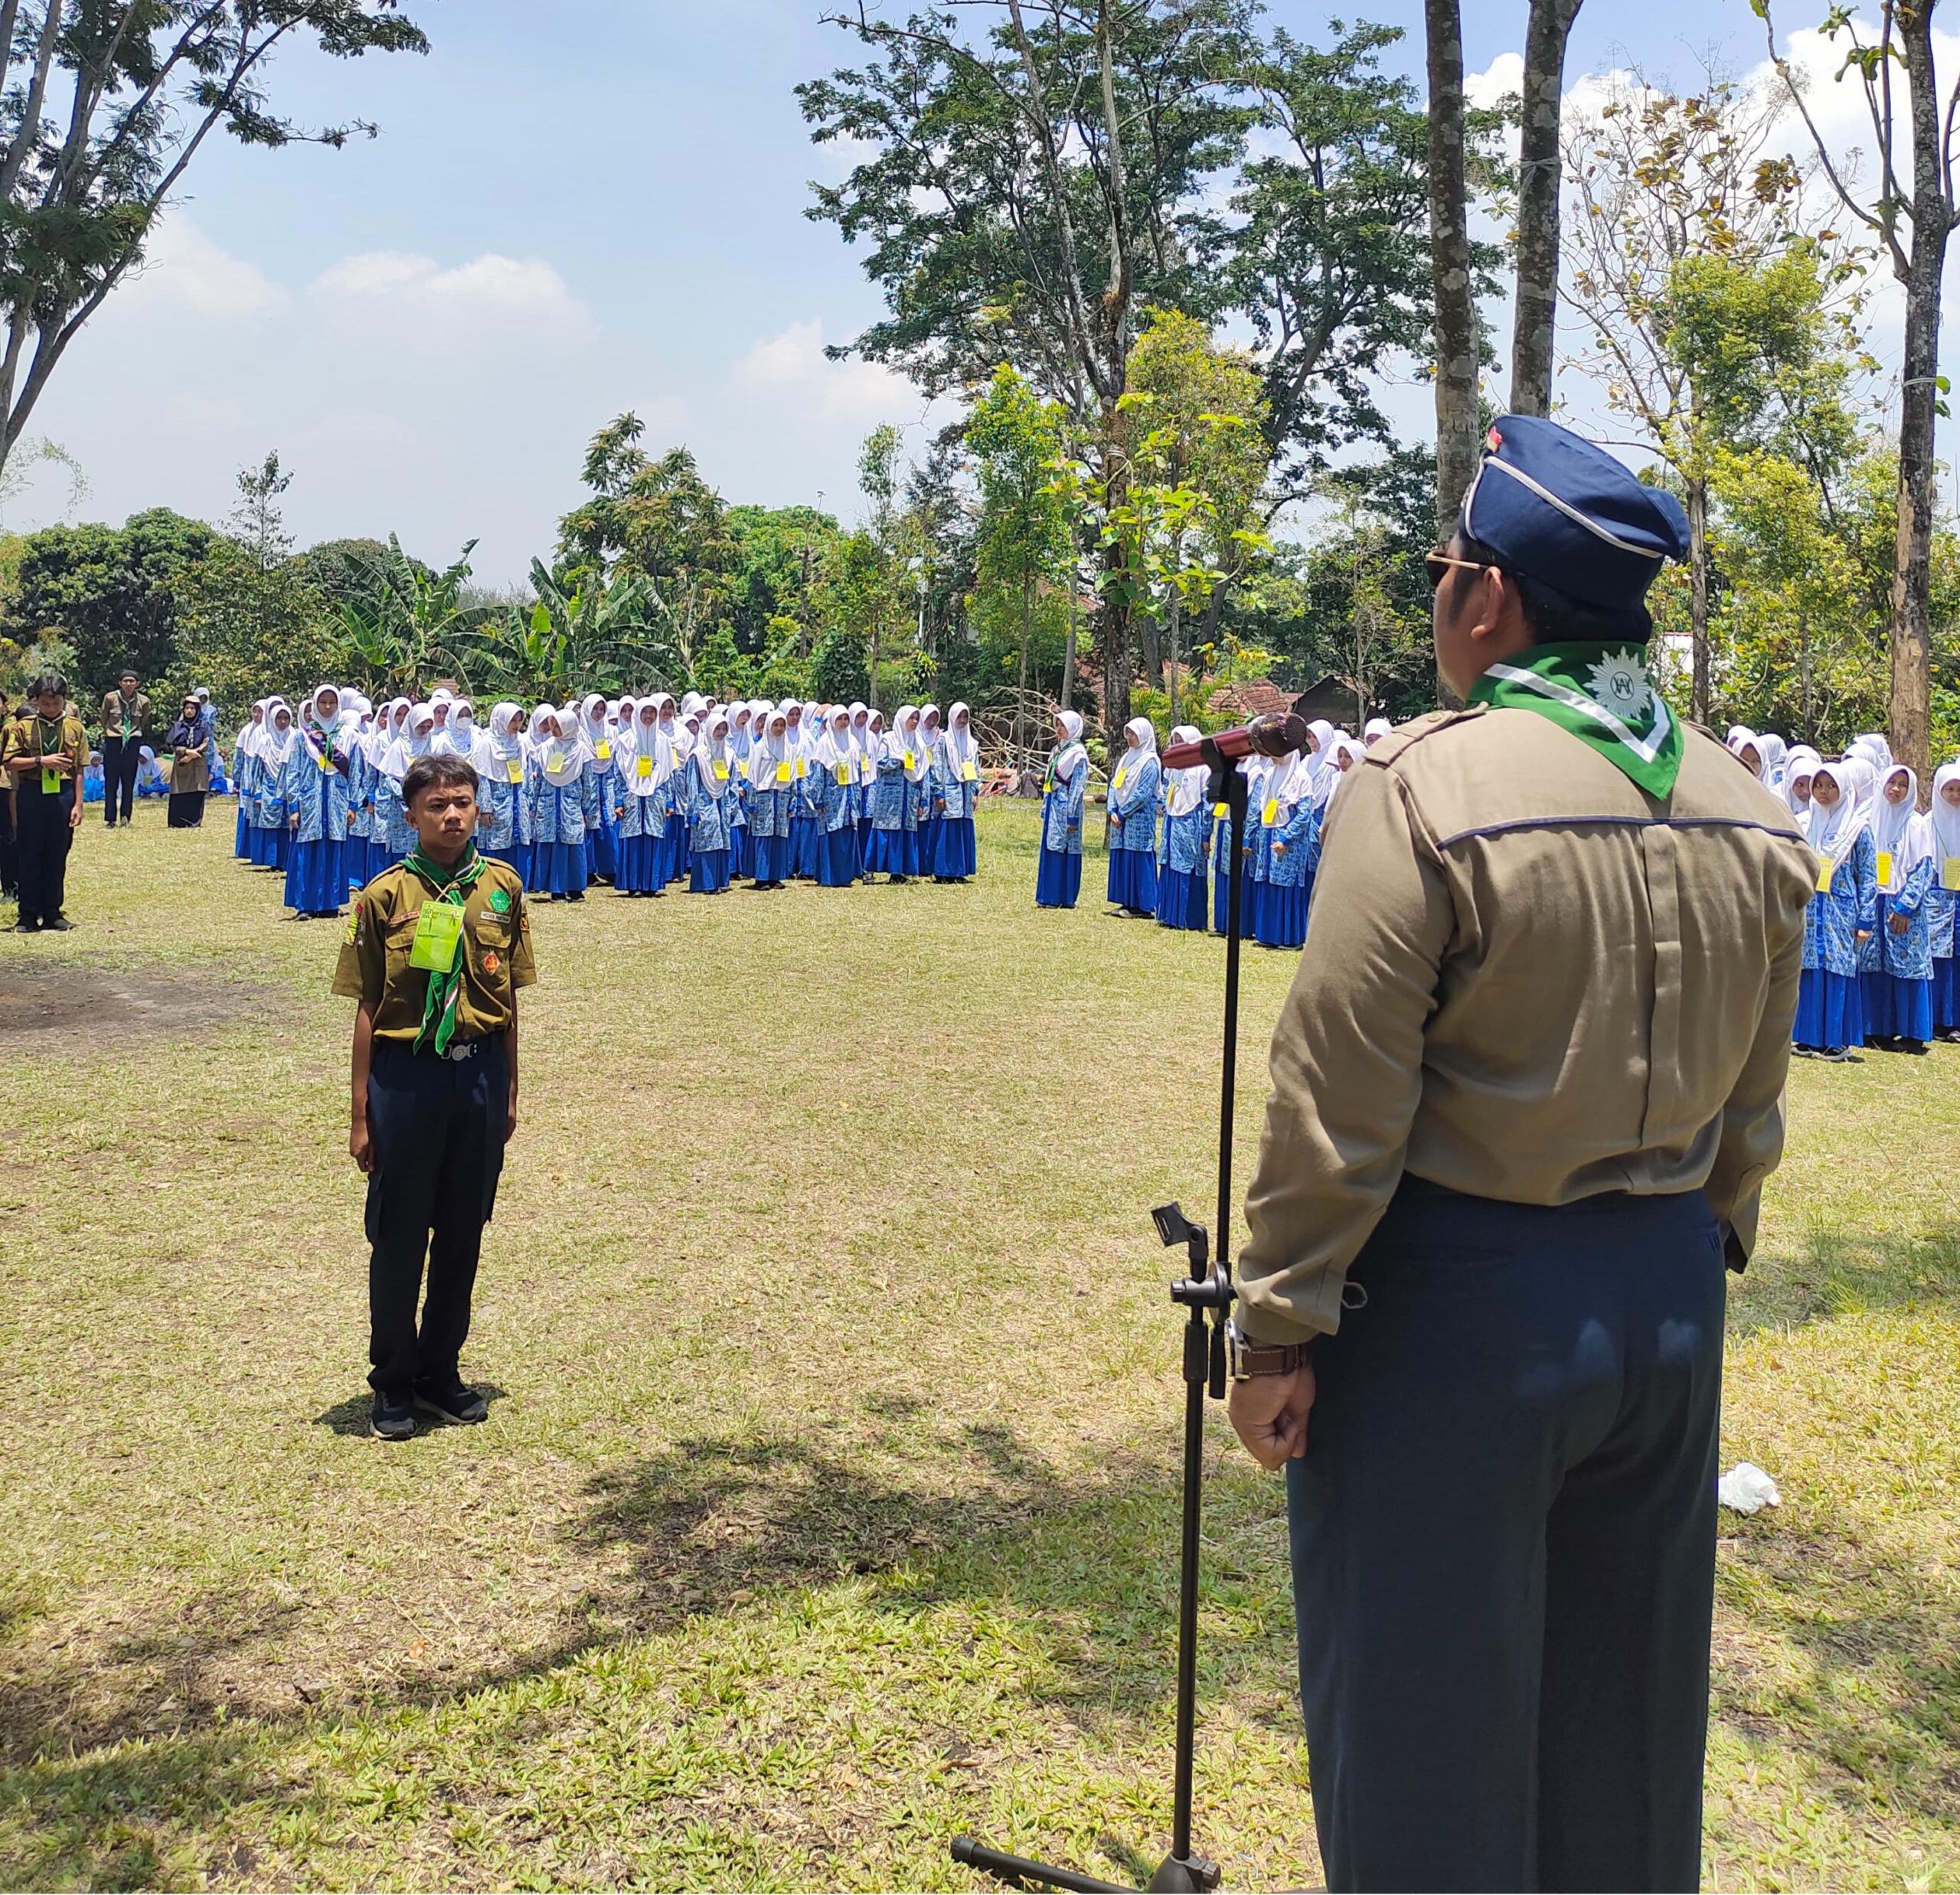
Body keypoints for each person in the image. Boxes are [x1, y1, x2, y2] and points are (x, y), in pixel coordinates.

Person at [1226, 415, 1815, 1893]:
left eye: (1442, 571)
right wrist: (1698, 1248)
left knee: (1426, 1743)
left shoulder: (1425, 788)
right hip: (1673, 1306)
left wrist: (1278, 1322)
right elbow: (1753, 1103)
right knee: (1626, 1741)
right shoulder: (1750, 812)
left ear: (1487, 598)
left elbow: (1336, 1096)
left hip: (1461, 1313)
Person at [334, 751, 534, 1441]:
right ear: (411, 816)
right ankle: (392, 1379)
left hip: (474, 1076)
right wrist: (360, 1112)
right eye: (438, 806)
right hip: (407, 1077)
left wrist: (509, 1089)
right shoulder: (386, 895)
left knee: (460, 1232)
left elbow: (507, 999)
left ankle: (440, 1370)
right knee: (397, 1235)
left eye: (464, 803)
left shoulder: (502, 888)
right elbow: (366, 1006)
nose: (453, 815)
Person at [1796, 760, 1876, 1061]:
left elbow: (1868, 876)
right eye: (1818, 785)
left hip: (1842, 911)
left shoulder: (1857, 829)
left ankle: (1836, 1039)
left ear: (1843, 789)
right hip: (1810, 909)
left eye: (1831, 786)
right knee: (1810, 969)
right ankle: (1808, 1037)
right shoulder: (1804, 822)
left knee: (1837, 969)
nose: (1824, 792)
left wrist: (1865, 920)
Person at [2, 671, 87, 931]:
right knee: (29, 853)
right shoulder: (22, 727)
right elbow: (10, 762)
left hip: (62, 794)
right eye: (46, 703)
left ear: (64, 701)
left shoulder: (75, 727)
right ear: (36, 701)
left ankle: (52, 911)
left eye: (56, 703)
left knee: (57, 853)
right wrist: (41, 761)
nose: (51, 708)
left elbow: (80, 768)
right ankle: (28, 914)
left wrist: (78, 804)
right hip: (32, 792)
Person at [1863, 763, 1936, 1054]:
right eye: (1891, 782)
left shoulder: (1916, 824)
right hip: (1875, 901)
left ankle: (1912, 1033)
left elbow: (1923, 869)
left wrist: (1905, 907)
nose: (1896, 789)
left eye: (1903, 784)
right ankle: (1876, 1029)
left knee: (1906, 968)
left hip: (1904, 904)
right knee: (1874, 965)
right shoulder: (1870, 819)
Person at [282, 685, 354, 917]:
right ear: (315, 705)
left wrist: (353, 805)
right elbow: (293, 772)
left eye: (332, 702)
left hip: (337, 801)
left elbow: (357, 772)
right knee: (308, 850)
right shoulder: (303, 736)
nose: (328, 706)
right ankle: (306, 904)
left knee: (334, 850)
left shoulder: (347, 735)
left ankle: (330, 904)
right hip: (309, 801)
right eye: (323, 702)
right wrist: (294, 806)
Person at [1250, 740, 1318, 950]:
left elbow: (1304, 814)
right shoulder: (1270, 774)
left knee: (1286, 885)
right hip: (1268, 833)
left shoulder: (1301, 778)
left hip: (1289, 840)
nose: (1274, 756)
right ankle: (1268, 935)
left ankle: (1290, 938)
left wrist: (1286, 838)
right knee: (1268, 882)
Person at [527, 705, 589, 901]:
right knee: (551, 844)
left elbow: (589, 785)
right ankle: (556, 888)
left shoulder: (582, 751)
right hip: (549, 805)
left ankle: (575, 887)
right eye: (552, 724)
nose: (554, 729)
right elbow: (537, 782)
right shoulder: (545, 749)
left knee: (572, 844)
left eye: (558, 725)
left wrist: (588, 810)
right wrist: (533, 806)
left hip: (571, 806)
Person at [1156, 724, 1210, 931]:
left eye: (1182, 741)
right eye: (1175, 741)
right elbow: (1165, 790)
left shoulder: (1202, 768)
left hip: (1191, 824)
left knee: (1188, 868)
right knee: (1170, 865)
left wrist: (1206, 834)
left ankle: (1190, 918)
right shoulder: (1172, 767)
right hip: (1172, 822)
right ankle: (1170, 915)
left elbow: (1207, 804)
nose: (1178, 745)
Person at [1106, 715, 1160, 916]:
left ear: (1144, 735)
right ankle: (1127, 901)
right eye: (1128, 733)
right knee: (1123, 856)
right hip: (1120, 817)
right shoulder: (1126, 759)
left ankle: (1143, 906)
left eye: (1134, 734)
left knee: (1138, 856)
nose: (1130, 737)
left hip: (1138, 818)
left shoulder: (1150, 762)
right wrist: (1112, 810)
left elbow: (1143, 794)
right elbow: (1114, 784)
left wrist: (1122, 813)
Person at [1034, 711, 1087, 908]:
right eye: (1057, 725)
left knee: (1062, 847)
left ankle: (1061, 896)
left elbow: (1078, 787)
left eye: (1063, 726)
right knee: (1051, 845)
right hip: (1053, 804)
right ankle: (1046, 894)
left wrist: (1072, 816)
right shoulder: (1057, 750)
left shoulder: (1078, 754)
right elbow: (1049, 779)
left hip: (1066, 807)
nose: (1059, 729)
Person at [688, 708, 736, 894]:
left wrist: (731, 806)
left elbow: (733, 782)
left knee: (722, 840)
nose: (721, 733)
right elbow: (692, 783)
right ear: (709, 730)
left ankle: (720, 881)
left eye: (724, 728)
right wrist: (693, 810)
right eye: (718, 729)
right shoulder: (698, 755)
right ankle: (705, 883)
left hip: (722, 802)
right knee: (707, 840)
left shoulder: (729, 754)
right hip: (704, 802)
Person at [1929, 761, 1960, 1043]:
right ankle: (1939, 1019)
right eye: (1948, 789)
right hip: (1937, 897)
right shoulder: (1929, 823)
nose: (1954, 795)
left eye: (1958, 789)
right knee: (1939, 959)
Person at [933, 702, 981, 882]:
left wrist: (976, 791)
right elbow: (937, 767)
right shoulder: (944, 740)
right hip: (950, 792)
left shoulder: (971, 743)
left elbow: (976, 768)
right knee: (949, 832)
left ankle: (960, 871)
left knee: (963, 830)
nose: (962, 721)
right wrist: (939, 793)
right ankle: (944, 872)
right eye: (959, 717)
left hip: (966, 792)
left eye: (965, 717)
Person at [100, 670, 149, 829]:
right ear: (120, 683)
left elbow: (143, 720)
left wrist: (133, 734)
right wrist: (113, 732)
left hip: (132, 742)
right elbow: (104, 717)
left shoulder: (143, 701)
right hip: (113, 741)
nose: (129, 684)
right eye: (125, 681)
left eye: (132, 681)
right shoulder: (110, 698)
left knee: (129, 781)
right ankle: (110, 819)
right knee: (111, 782)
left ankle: (126, 817)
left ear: (137, 684)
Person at [165, 695, 213, 828]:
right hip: (182, 763)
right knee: (180, 790)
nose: (190, 711)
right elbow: (172, 744)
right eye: (187, 708)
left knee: (197, 791)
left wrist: (194, 753)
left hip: (198, 761)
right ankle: (177, 822)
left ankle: (194, 821)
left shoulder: (204, 726)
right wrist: (186, 752)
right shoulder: (178, 726)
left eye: (192, 708)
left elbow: (207, 742)